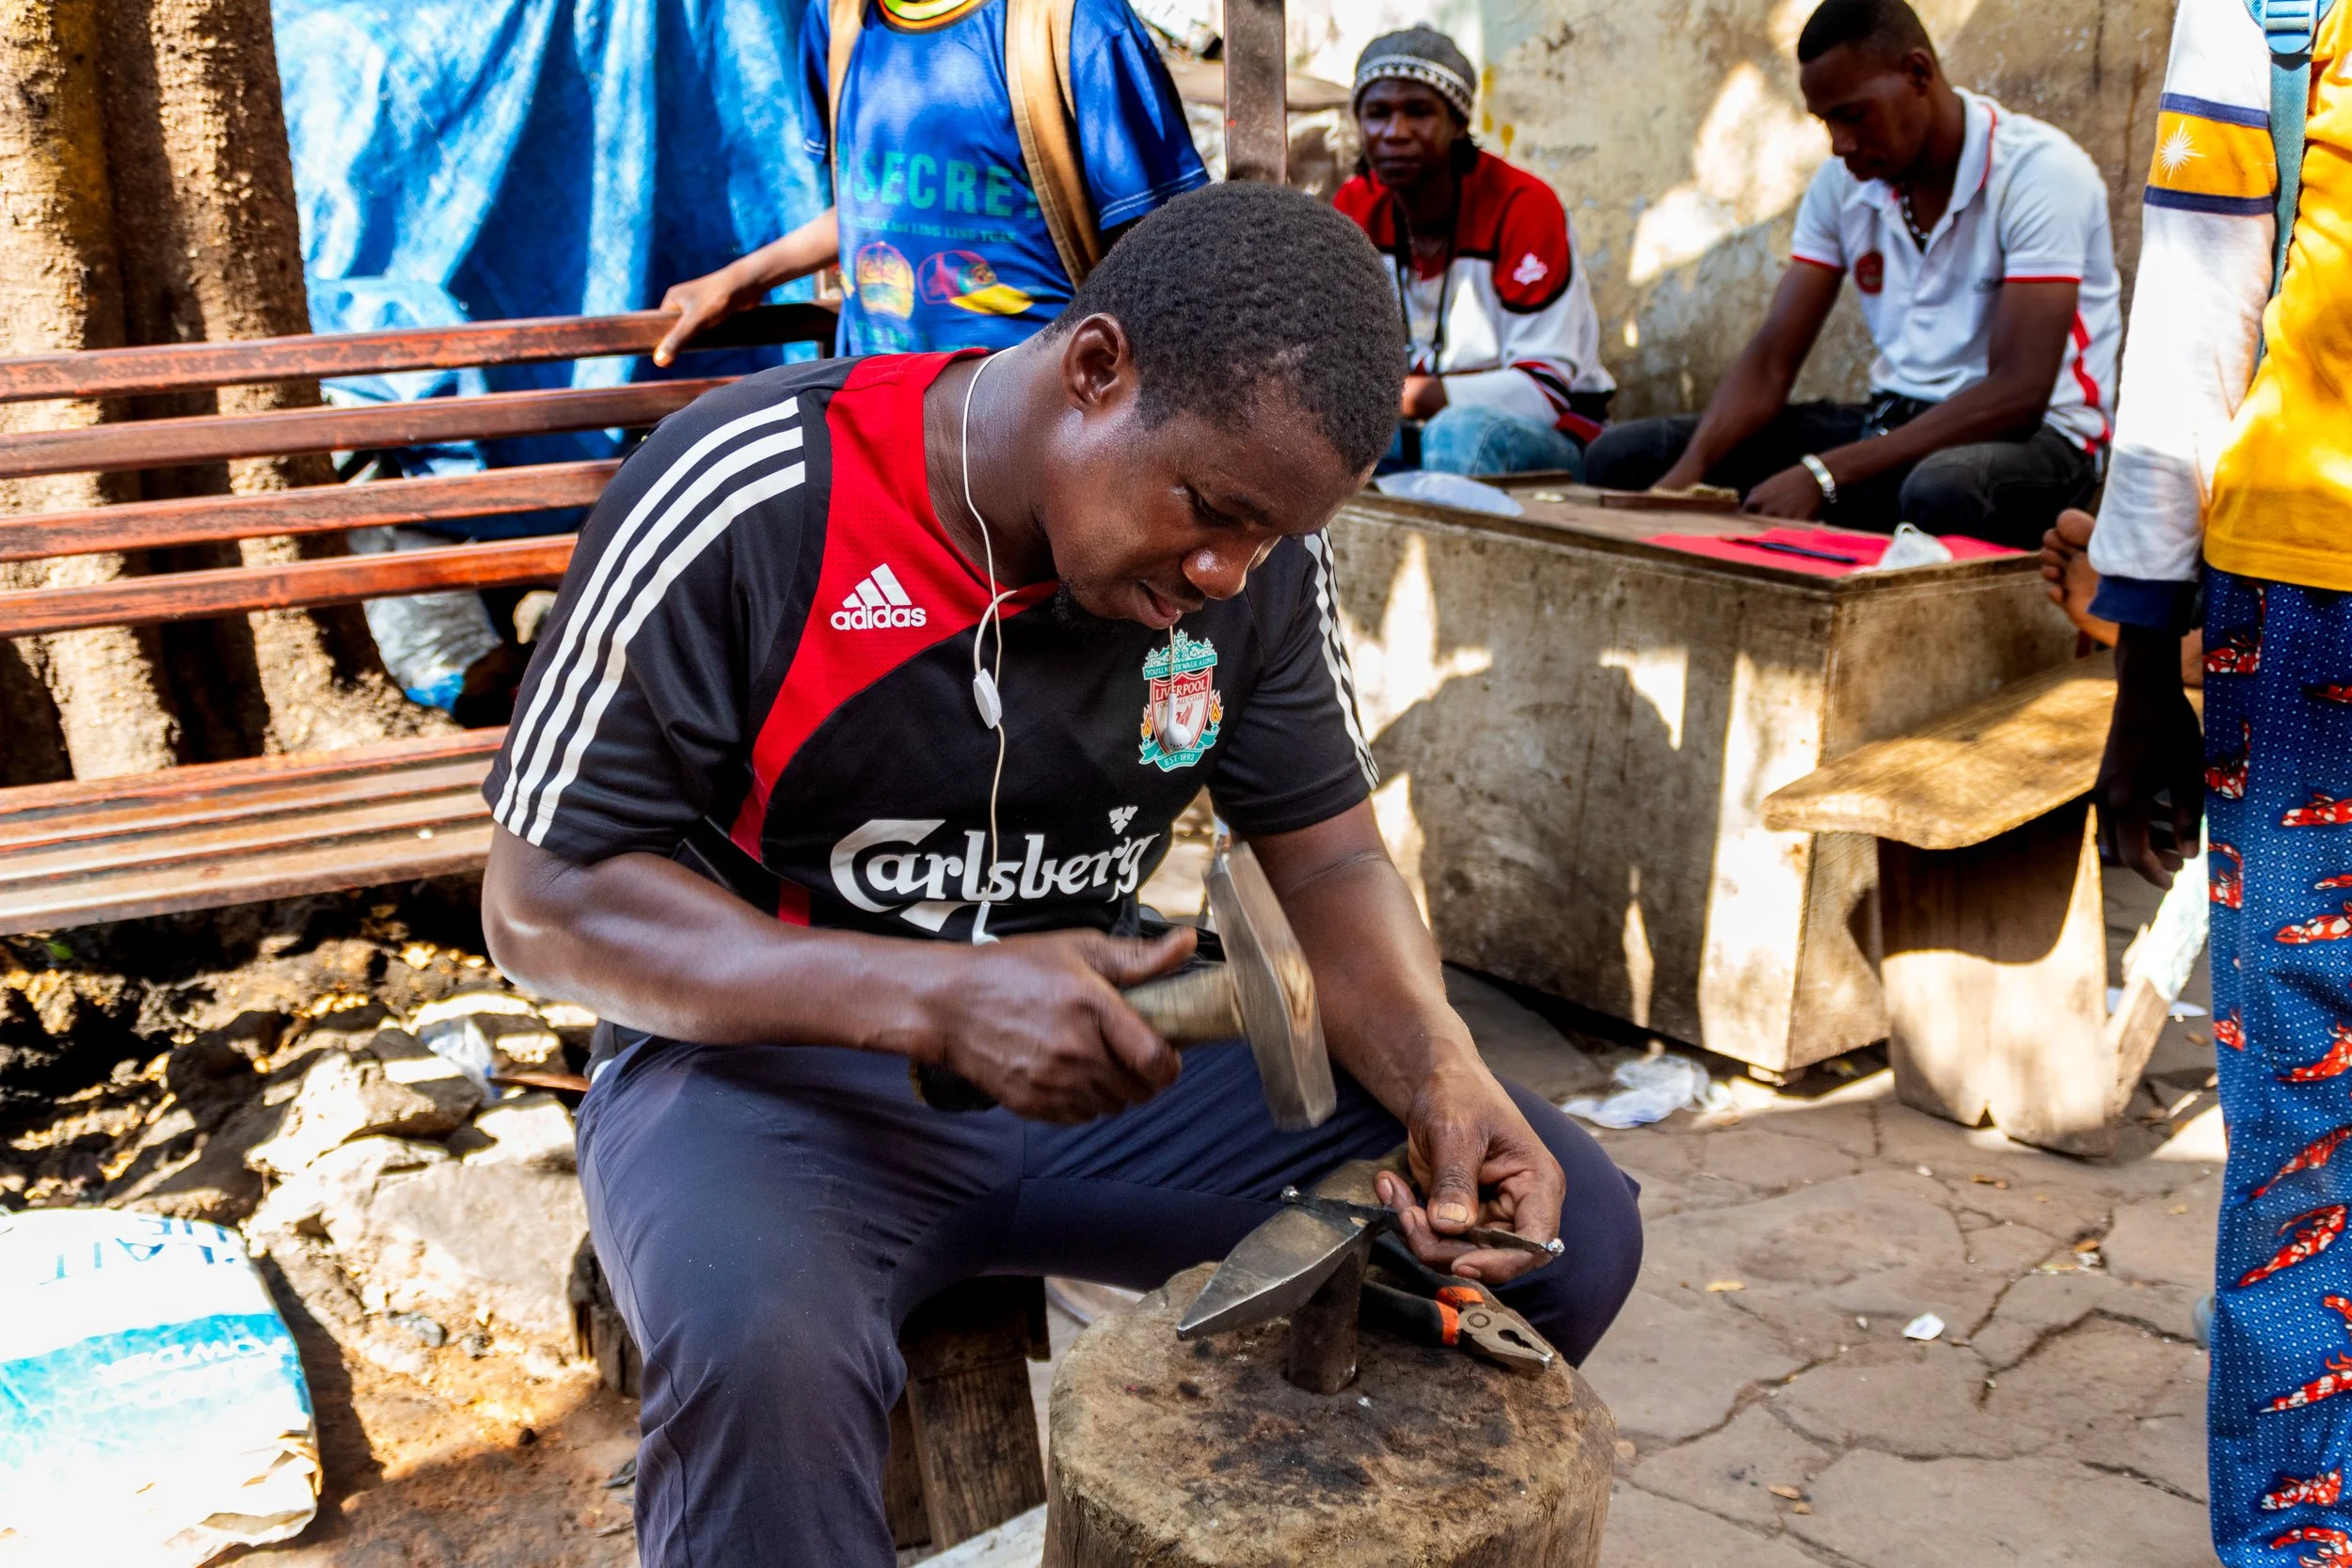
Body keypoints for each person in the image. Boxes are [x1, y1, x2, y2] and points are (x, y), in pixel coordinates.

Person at [478, 182, 1644, 1566]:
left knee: (1566, 1234)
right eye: (1210, 511)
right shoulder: (752, 492)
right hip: (762, 1074)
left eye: (1269, 537)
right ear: (1097, 368)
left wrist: (1442, 1064)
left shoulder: (1256, 566)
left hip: (1108, 1060)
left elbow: (1330, 855)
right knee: (758, 1368)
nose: (1228, 572)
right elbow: (542, 901)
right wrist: (934, 997)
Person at [2085, 0, 2352, 1557]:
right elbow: (2195, 312)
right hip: (2316, 604)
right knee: (2304, 1129)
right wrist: (2144, 671)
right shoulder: (2268, 9)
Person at [1581, 0, 2119, 548]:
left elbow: (2019, 394)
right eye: (1826, 122)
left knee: (1939, 491)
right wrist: (1685, 478)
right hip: (1892, 424)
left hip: (2036, 441)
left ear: (1918, 74)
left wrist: (1825, 474)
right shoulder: (1843, 185)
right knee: (1624, 457)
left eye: (1854, 115)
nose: (1840, 144)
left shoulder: (2040, 174)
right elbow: (1771, 359)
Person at [649, 0, 1207, 366]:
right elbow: (882, 205)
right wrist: (743, 277)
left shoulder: (1076, 27)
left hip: (1029, 438)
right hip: (873, 418)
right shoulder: (840, 20)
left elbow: (1169, 251)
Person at [1333, 28, 1616, 478]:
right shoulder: (1357, 205)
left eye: (1419, 112)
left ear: (1458, 123)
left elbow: (1543, 393)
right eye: (1377, 113)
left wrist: (1397, 396)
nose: (1395, 132)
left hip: (1544, 433)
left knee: (1459, 433)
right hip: (1411, 426)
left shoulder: (1522, 206)